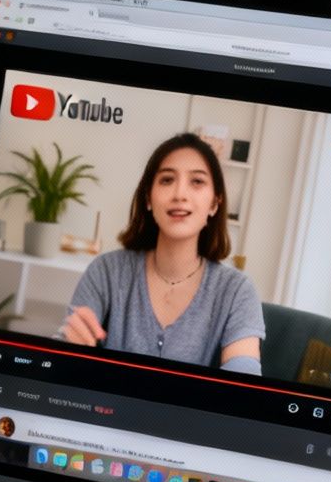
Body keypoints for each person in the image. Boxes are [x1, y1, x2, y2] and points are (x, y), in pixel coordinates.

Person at [60, 134, 263, 373]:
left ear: (214, 203)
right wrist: (68, 348)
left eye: (197, 181)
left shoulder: (237, 290)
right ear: (148, 197)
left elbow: (244, 379)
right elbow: (62, 361)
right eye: (167, 180)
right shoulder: (106, 271)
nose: (180, 194)